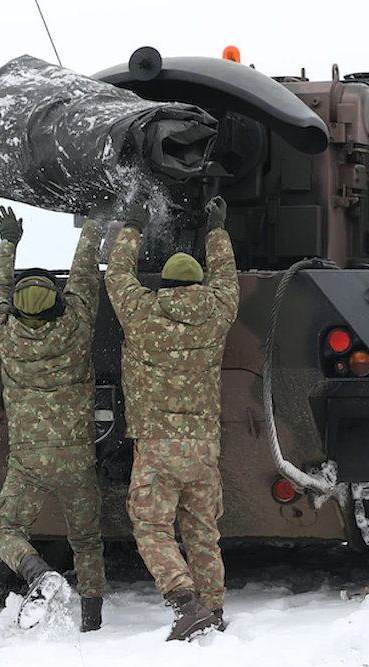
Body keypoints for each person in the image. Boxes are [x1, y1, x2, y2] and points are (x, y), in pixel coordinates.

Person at [105, 195, 240, 642]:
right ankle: (213, 611)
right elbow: (226, 278)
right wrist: (217, 230)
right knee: (203, 532)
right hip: (202, 447)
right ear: (199, 283)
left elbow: (118, 275)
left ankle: (185, 603)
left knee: (151, 527)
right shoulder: (217, 313)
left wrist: (133, 226)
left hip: (158, 446)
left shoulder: (142, 313)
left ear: (161, 284)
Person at [0, 204, 106, 631]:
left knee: (5, 532)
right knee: (87, 542)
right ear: (57, 303)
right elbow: (85, 273)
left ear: (15, 309)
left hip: (30, 463)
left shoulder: (5, 333)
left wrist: (8, 241)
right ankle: (92, 621)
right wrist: (93, 225)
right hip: (76, 460)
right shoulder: (77, 325)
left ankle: (38, 573)